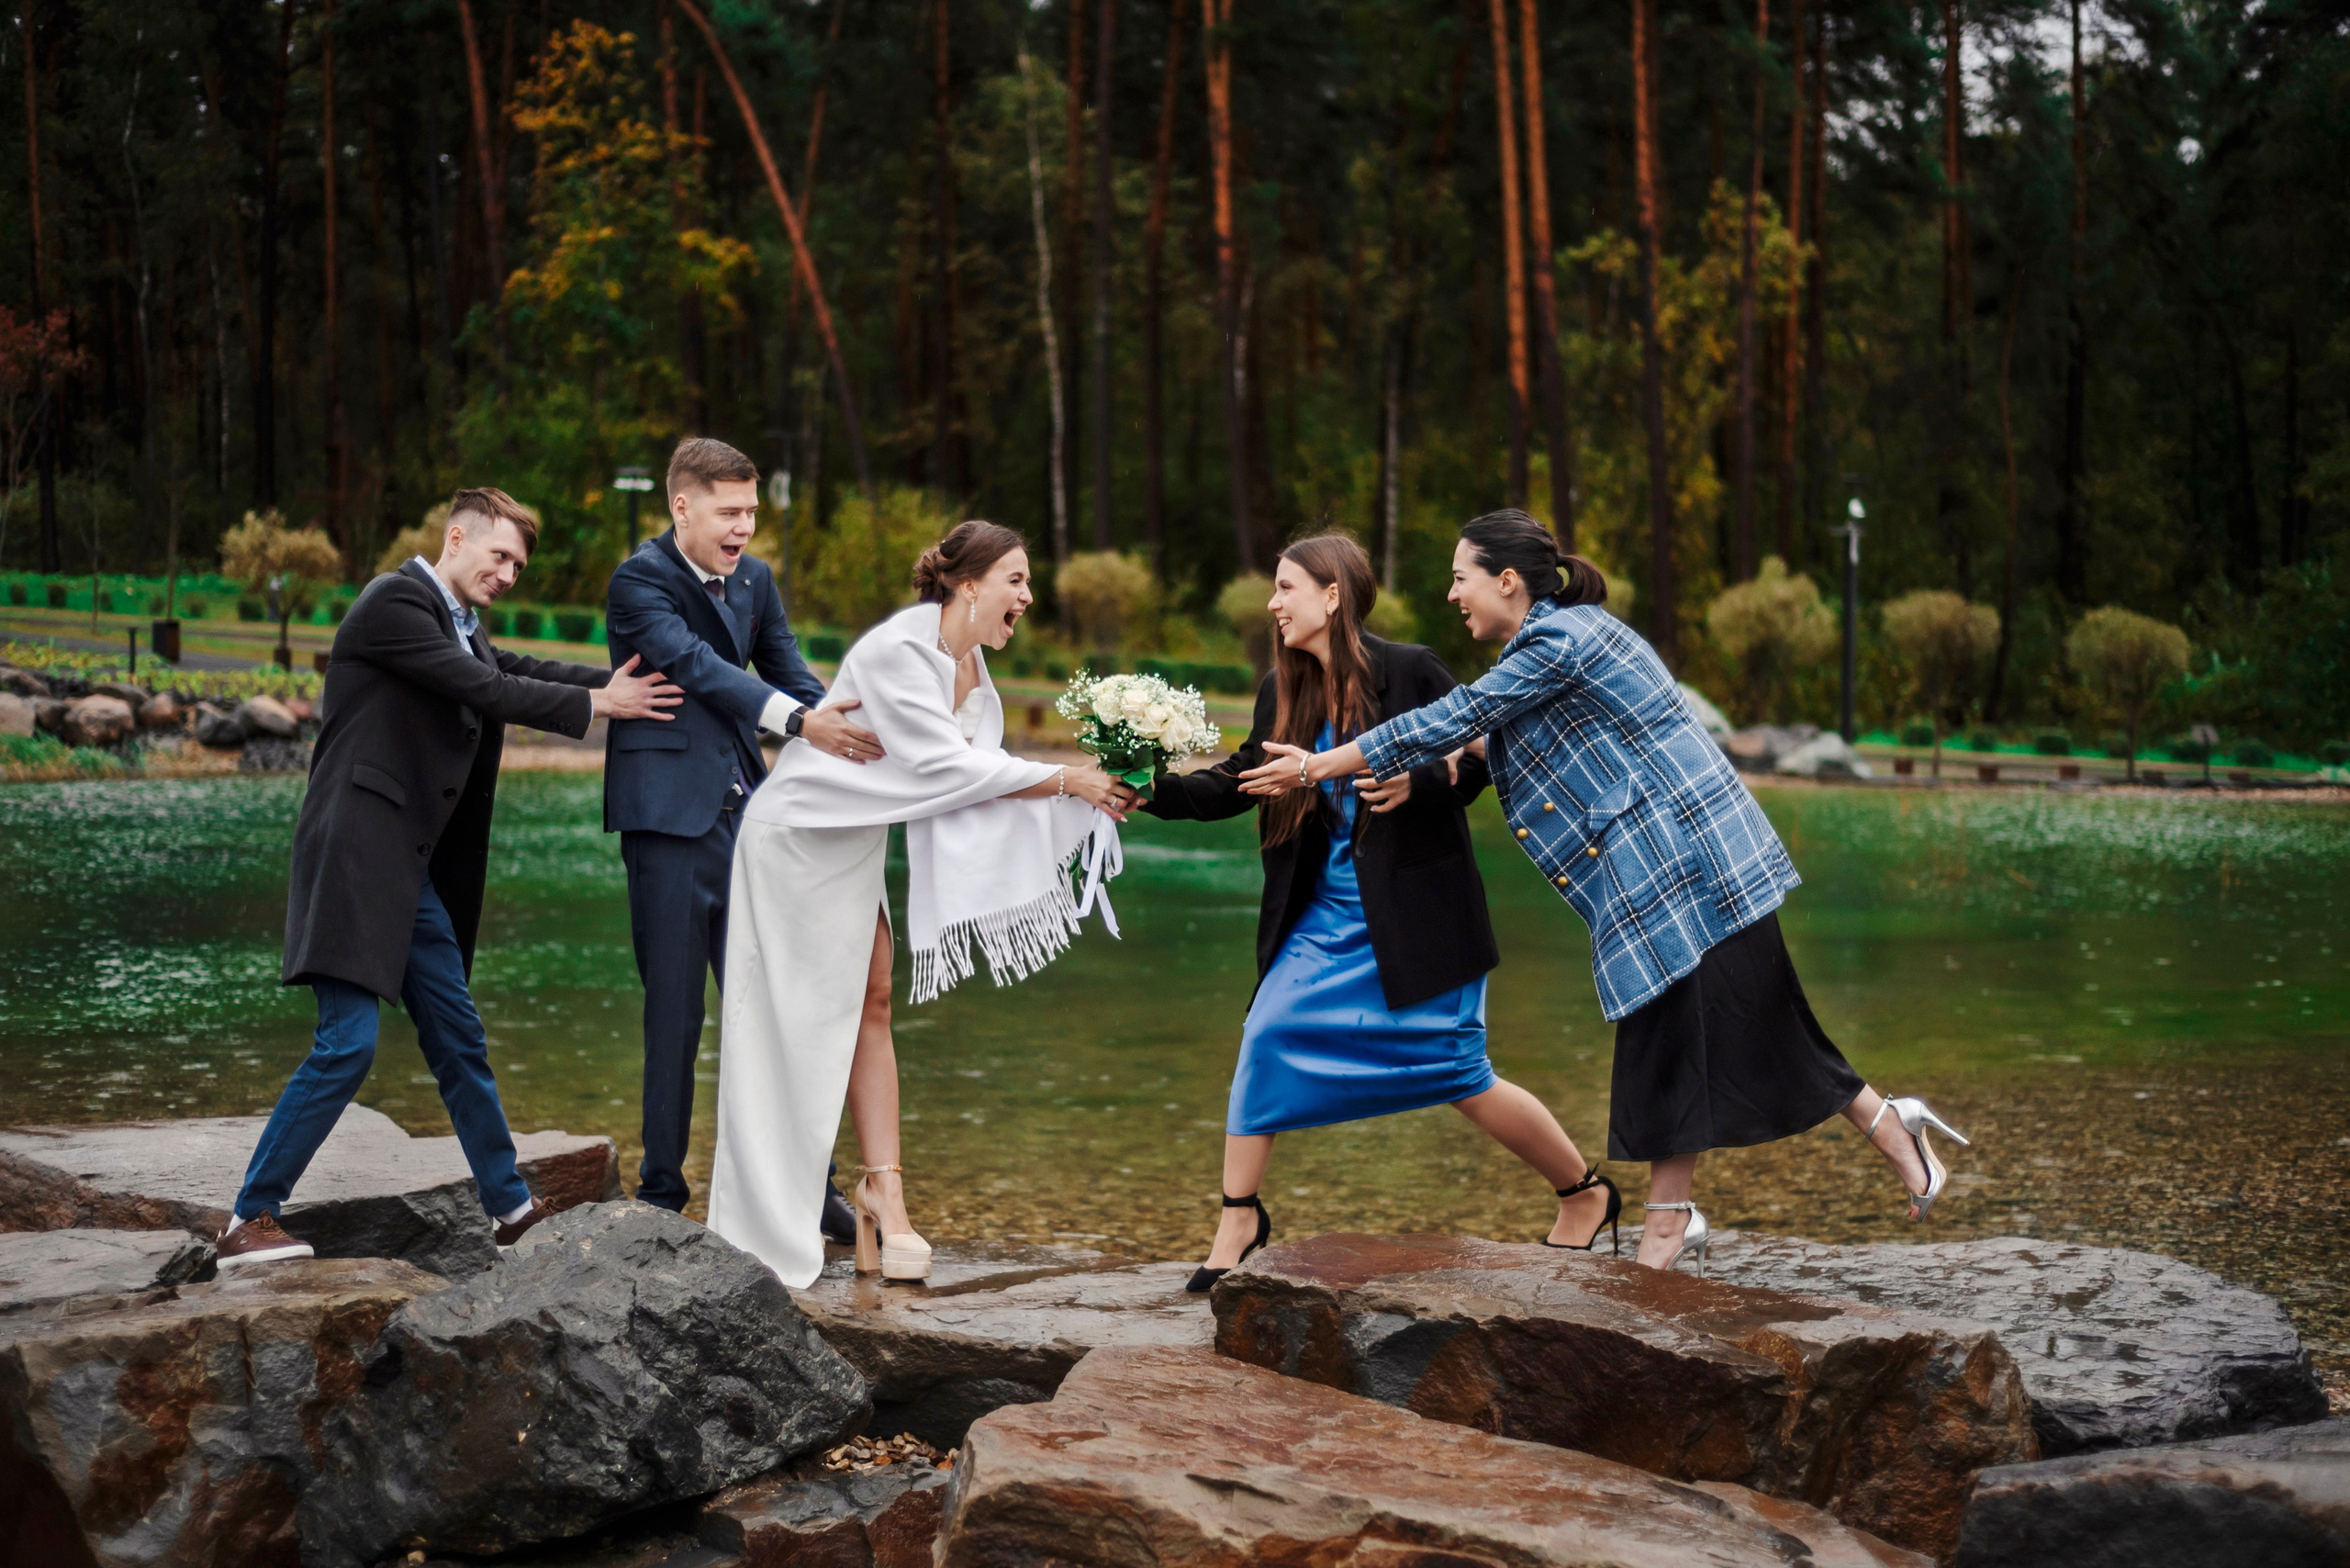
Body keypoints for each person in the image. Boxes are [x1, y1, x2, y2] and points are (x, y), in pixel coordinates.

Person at [1245, 510, 1969, 1273]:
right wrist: (1431, 771)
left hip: (1692, 859)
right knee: (1715, 1022)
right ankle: (1864, 1137)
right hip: (1665, 869)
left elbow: (1466, 714)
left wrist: (1316, 767)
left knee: (1703, 1027)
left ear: (1507, 581)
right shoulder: (1560, 639)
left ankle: (1685, 1215)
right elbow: (1498, 738)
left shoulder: (1558, 640)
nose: (1453, 595)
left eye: (1462, 578)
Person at [217, 487, 684, 1269]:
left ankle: (508, 1208)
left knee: (459, 1037)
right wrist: (600, 703)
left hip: (408, 870)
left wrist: (625, 679)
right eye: (499, 556)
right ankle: (247, 1217)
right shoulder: (396, 602)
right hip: (357, 853)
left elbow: (514, 666)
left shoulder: (460, 626)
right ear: (457, 537)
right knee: (348, 1044)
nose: (508, 574)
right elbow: (489, 690)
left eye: (519, 566)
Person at [1149, 535, 1621, 1291]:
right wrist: (1146, 790)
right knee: (1266, 1036)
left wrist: (1422, 784)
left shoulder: (1411, 671)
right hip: (1319, 917)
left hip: (1414, 913)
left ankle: (1585, 1193)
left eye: (1285, 588)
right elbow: (1239, 780)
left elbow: (1481, 760)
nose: (1273, 604)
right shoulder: (1283, 688)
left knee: (1462, 1072)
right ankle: (1240, 1217)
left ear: (1332, 596)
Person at [706, 521, 1136, 1288]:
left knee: (873, 1000)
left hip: (854, 841)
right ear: (968, 585)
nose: (1028, 597)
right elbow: (944, 767)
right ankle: (769, 1217)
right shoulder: (901, 650)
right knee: (793, 1028)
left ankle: (883, 1193)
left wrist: (1078, 791)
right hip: (798, 839)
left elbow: (982, 772)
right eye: (1017, 580)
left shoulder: (966, 657)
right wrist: (1068, 781)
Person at [604, 436, 881, 1236]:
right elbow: (695, 665)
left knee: (780, 1008)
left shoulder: (757, 580)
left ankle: (810, 1187)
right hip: (667, 824)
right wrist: (798, 723)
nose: (743, 529)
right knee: (676, 1016)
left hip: (752, 823)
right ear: (681, 506)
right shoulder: (639, 581)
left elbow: (792, 670)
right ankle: (662, 1195)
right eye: (729, 512)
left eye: (752, 513)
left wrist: (862, 727)